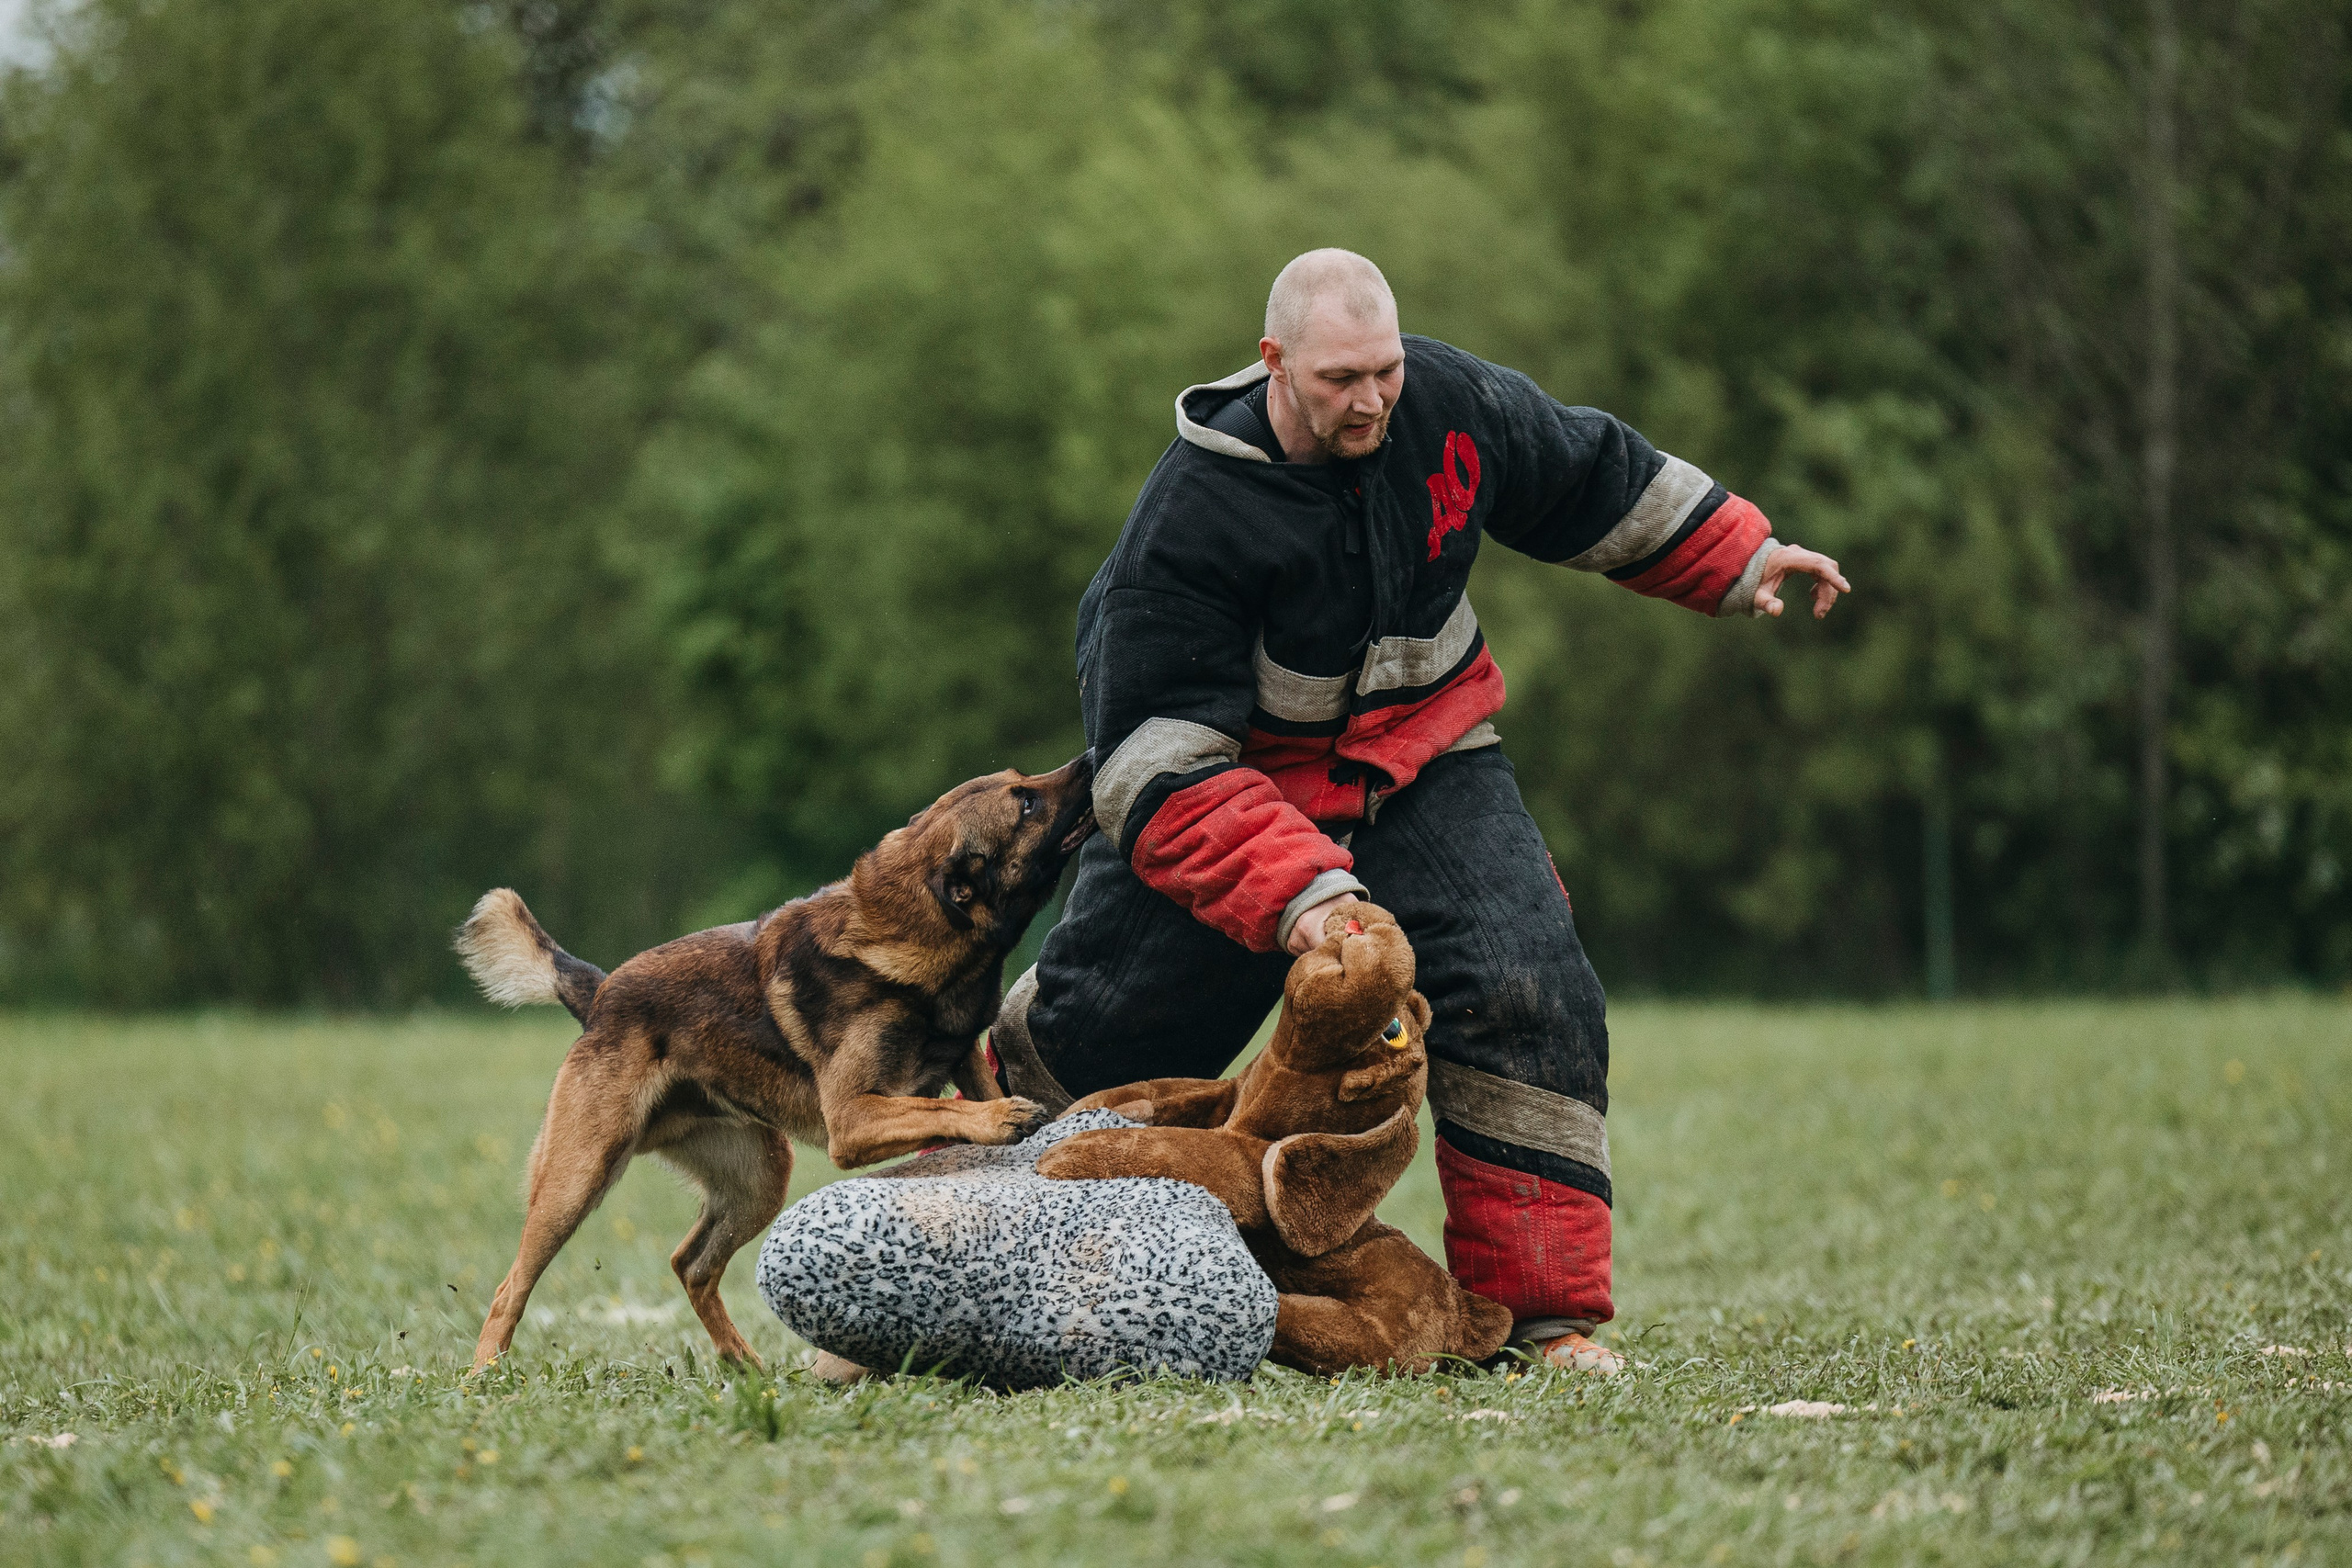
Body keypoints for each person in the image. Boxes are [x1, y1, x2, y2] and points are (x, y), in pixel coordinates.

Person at [990, 249, 1849, 1374]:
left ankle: (1539, 1324)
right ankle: (966, 1248)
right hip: (1237, 796)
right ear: (1274, 365)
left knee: (1527, 985)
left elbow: (1583, 471)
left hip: (1427, 755)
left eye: (1384, 370)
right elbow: (1152, 765)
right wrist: (1303, 894)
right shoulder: (1186, 524)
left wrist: (1737, 553)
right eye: (1341, 377)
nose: (1372, 399)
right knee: (1100, 1035)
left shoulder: (1446, 402)